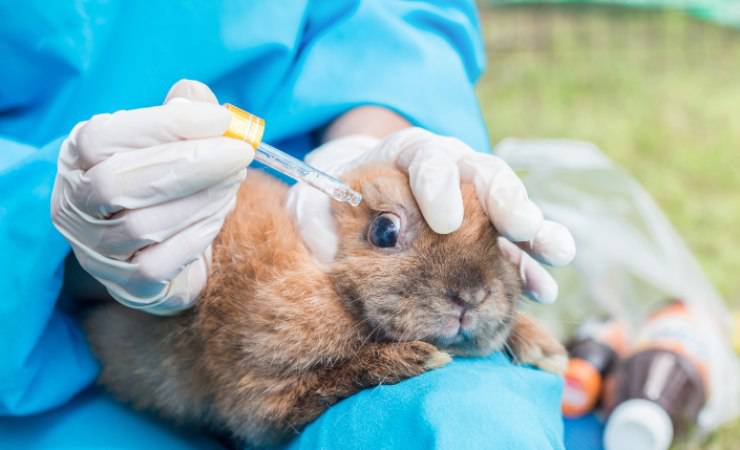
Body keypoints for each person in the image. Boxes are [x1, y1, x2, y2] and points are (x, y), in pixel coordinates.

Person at [0, 1, 575, 448]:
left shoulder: (340, 216)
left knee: (470, 421)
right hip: (36, 341)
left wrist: (365, 137)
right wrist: (46, 217)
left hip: (312, 150)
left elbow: (396, 19)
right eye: (387, 233)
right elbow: (263, 392)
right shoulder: (288, 302)